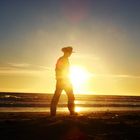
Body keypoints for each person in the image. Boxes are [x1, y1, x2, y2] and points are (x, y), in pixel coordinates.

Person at [50, 46, 77, 116]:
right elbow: (57, 69)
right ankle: (71, 112)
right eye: (70, 52)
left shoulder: (64, 59)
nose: (70, 54)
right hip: (64, 81)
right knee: (69, 96)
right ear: (67, 52)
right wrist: (60, 79)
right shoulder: (62, 59)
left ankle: (54, 113)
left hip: (63, 80)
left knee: (60, 96)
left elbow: (58, 70)